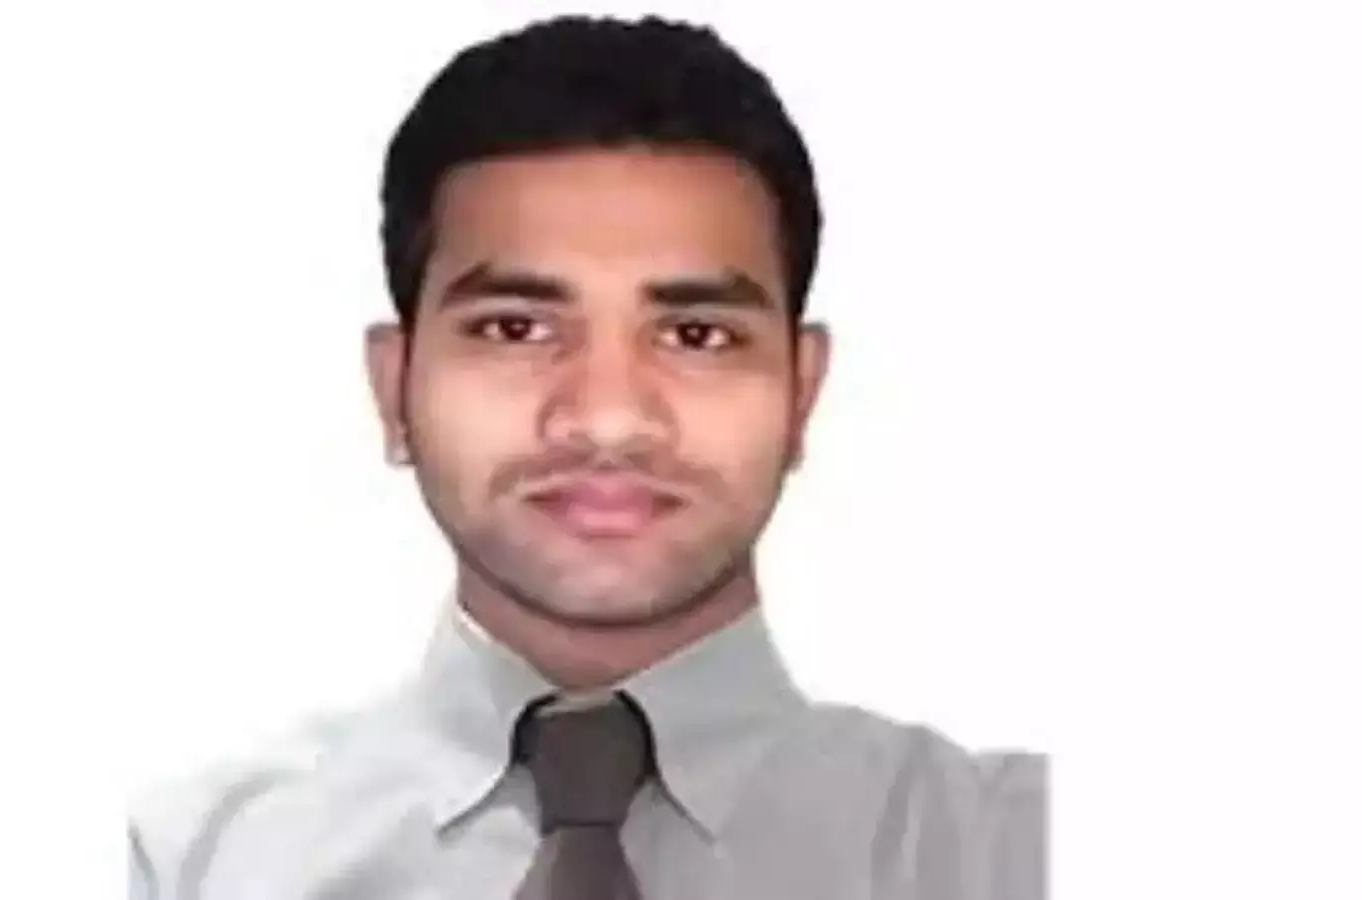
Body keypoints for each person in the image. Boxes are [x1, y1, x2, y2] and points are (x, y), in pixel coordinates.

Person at [129, 14, 1046, 900]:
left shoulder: (1031, 854)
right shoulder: (187, 869)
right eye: (515, 328)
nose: (608, 419)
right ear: (393, 386)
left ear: (802, 392)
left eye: (695, 334)